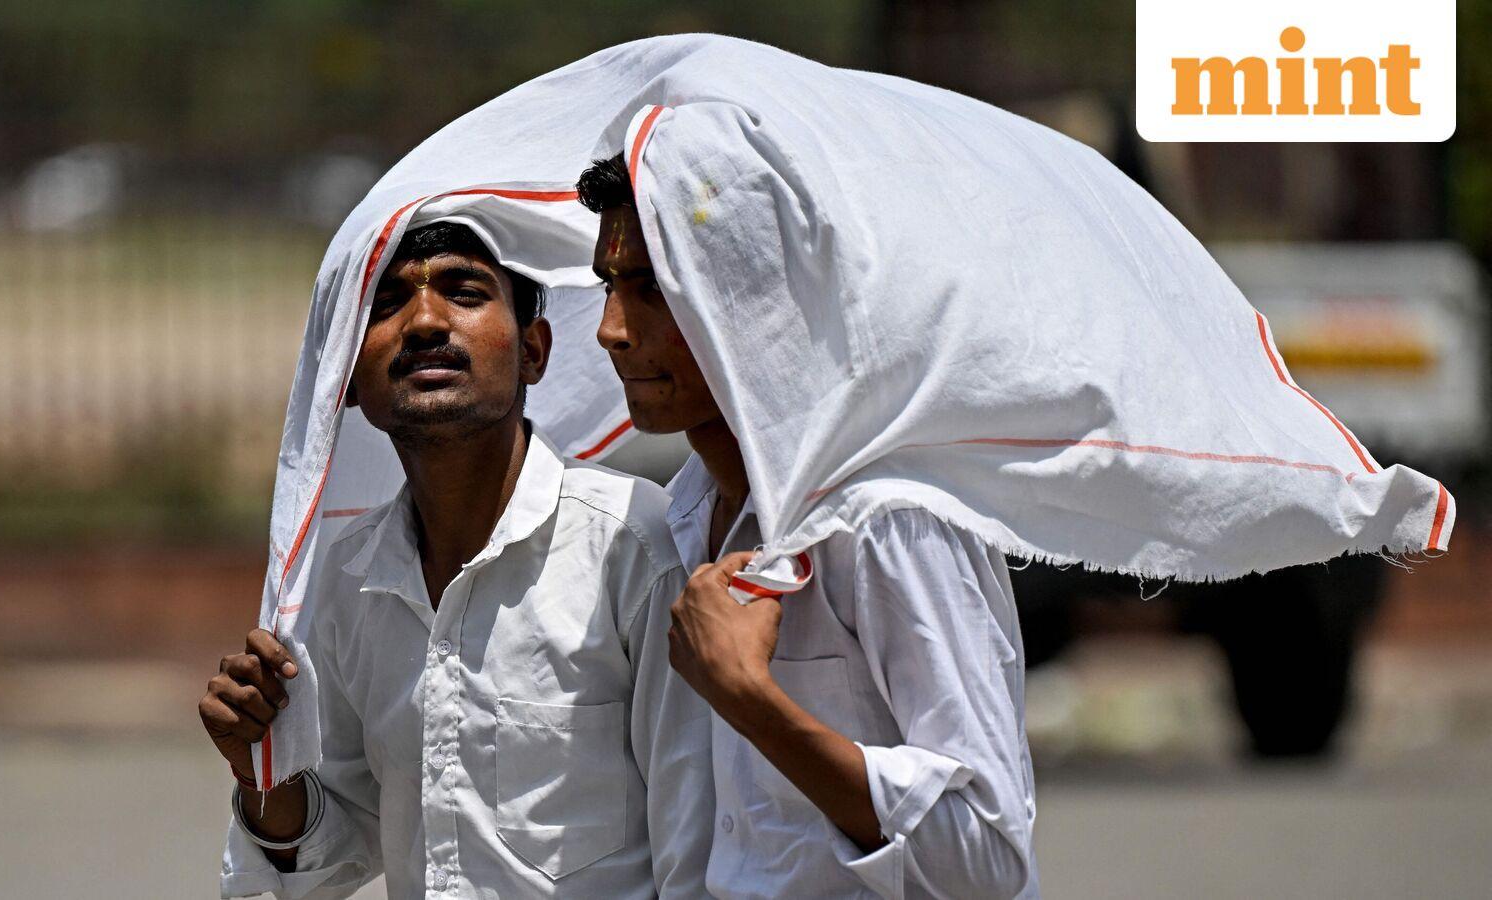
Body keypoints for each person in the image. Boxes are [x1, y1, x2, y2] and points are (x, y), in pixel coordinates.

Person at [199, 222, 713, 898]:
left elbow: (699, 848)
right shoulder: (352, 576)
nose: (424, 322)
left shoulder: (632, 548)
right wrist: (264, 775)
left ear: (533, 350)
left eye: (464, 292)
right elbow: (345, 841)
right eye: (385, 306)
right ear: (347, 380)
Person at [579, 154, 1040, 899]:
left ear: (761, 301)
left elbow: (985, 856)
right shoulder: (686, 511)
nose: (611, 330)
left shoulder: (887, 519)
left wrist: (750, 698)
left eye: (655, 291)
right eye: (609, 285)